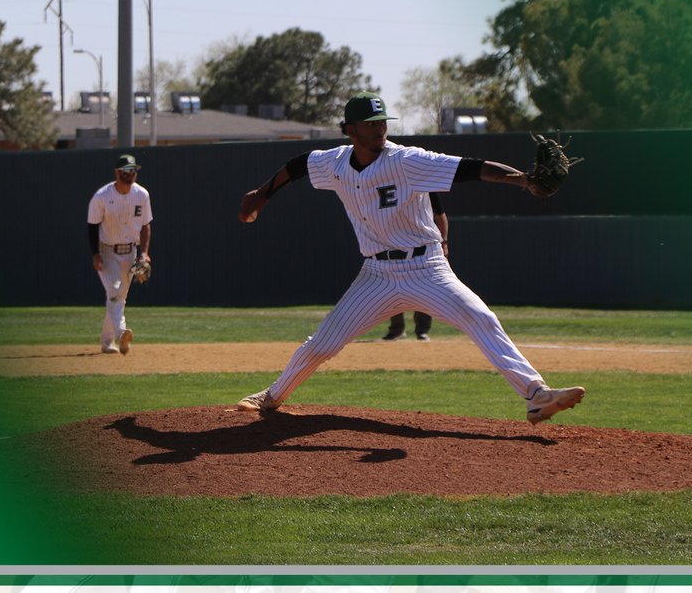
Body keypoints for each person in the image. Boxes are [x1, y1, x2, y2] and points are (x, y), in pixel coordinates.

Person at [235, 91, 585, 425]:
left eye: (382, 121)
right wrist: (262, 194)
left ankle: (536, 394)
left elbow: (471, 168)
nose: (379, 128)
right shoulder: (335, 163)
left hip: (426, 269)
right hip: (376, 275)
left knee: (481, 317)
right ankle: (273, 395)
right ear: (350, 129)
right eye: (370, 123)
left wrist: (524, 181)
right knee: (323, 343)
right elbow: (297, 166)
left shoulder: (406, 160)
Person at [87, 153, 153, 355]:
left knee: (119, 296)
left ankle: (107, 343)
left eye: (133, 170)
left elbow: (145, 226)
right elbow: (92, 225)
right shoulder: (102, 196)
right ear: (117, 172)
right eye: (126, 171)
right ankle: (122, 332)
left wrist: (144, 253)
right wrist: (95, 254)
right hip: (107, 251)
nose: (130, 174)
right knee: (115, 290)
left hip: (130, 252)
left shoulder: (142, 194)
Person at [382, 194, 448, 341]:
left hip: (424, 247)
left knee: (425, 291)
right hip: (396, 246)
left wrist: (444, 242)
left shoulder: (426, 188)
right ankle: (397, 329)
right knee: (393, 290)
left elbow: (440, 215)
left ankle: (422, 330)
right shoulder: (392, 189)